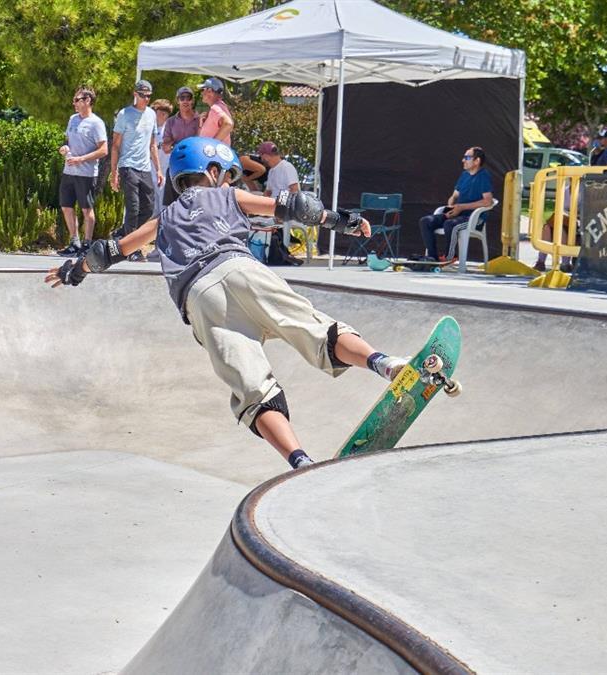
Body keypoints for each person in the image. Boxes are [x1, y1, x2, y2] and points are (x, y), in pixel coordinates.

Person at [46, 137, 415, 471]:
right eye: (226, 176)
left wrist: (73, 271)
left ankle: (301, 463)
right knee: (315, 330)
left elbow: (108, 252)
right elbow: (295, 207)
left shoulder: (164, 218)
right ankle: (385, 364)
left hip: (200, 298)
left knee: (254, 392)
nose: (228, 182)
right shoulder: (227, 196)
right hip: (240, 270)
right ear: (212, 171)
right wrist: (341, 221)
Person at [110, 79, 163, 258]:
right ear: (135, 94)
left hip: (145, 167)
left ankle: (124, 234)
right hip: (128, 166)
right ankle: (132, 249)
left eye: (149, 96)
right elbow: (115, 145)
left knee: (148, 208)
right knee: (132, 208)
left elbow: (153, 145)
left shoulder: (151, 114)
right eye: (142, 95)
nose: (146, 99)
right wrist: (114, 172)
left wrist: (158, 169)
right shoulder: (124, 114)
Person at [57, 85, 109, 256]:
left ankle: (87, 244)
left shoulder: (96, 123)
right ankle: (74, 242)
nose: (74, 103)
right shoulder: (73, 119)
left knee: (86, 209)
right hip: (69, 171)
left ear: (87, 101)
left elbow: (103, 150)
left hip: (86, 173)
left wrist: (81, 159)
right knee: (66, 206)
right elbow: (68, 141)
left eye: (77, 100)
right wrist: (64, 148)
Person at [417, 147, 494, 261]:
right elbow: (454, 196)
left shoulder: (483, 176)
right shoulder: (464, 175)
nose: (463, 160)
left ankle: (450, 256)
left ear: (477, 161)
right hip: (457, 215)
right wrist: (450, 207)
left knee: (450, 224)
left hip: (473, 219)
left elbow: (488, 201)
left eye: (467, 157)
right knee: (426, 221)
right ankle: (432, 257)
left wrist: (461, 207)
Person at [160, 86, 200, 204]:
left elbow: (201, 142)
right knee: (171, 205)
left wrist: (175, 144)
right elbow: (165, 148)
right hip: (175, 167)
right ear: (177, 101)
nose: (185, 100)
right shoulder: (170, 121)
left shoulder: (200, 120)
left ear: (192, 100)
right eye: (182, 98)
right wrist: (185, 144)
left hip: (195, 168)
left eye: (188, 97)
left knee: (193, 205)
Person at [150, 98, 173, 214]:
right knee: (151, 209)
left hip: (164, 175)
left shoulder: (170, 131)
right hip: (149, 174)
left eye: (155, 111)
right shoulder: (148, 129)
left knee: (163, 209)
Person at [196, 77, 233, 146]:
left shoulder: (215, 108)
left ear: (209, 91)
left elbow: (228, 124)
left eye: (203, 90)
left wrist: (213, 144)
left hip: (214, 152)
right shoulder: (220, 106)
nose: (201, 93)